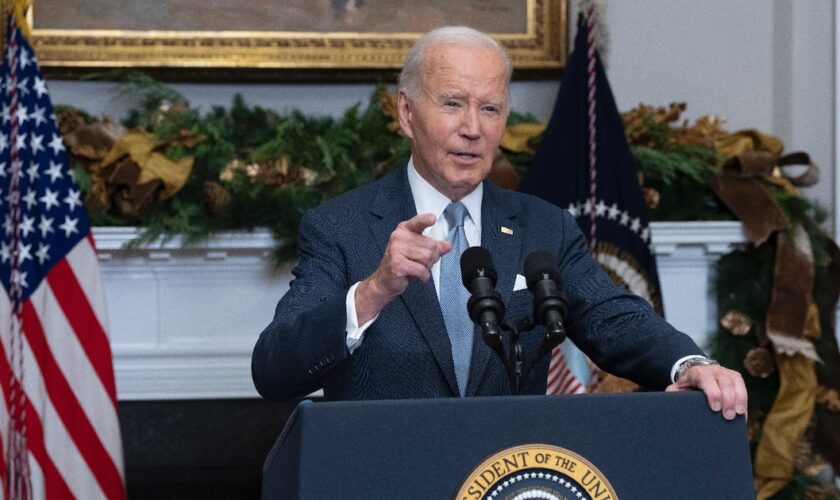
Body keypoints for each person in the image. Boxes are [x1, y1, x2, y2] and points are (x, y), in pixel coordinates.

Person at [251, 26, 747, 420]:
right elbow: (274, 371)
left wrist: (693, 365)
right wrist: (374, 291)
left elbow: (613, 316)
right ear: (406, 113)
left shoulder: (543, 227)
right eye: (452, 103)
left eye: (490, 108)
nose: (472, 128)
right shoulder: (340, 227)